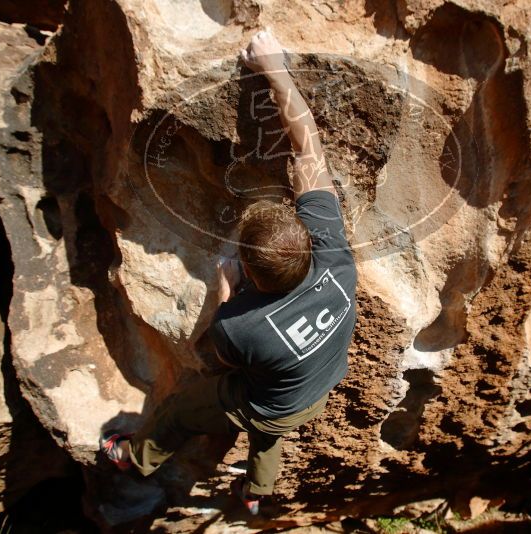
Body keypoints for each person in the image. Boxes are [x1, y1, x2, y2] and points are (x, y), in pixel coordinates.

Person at [100, 29, 357, 516]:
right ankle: (258, 492)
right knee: (269, 436)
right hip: (317, 390)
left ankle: (135, 459)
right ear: (305, 238)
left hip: (265, 400)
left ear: (248, 275)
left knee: (184, 411)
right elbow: (309, 150)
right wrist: (274, 68)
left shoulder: (239, 324)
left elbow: (221, 355)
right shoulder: (336, 257)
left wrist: (223, 287)